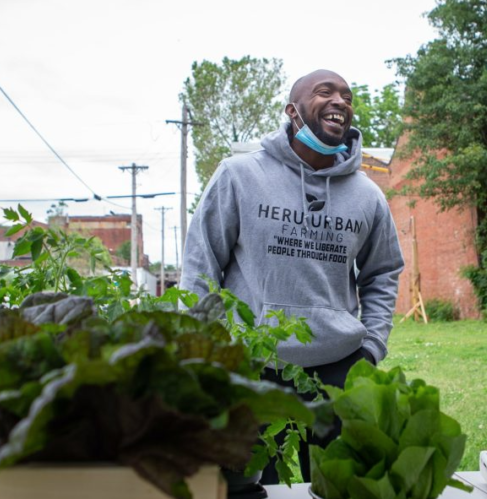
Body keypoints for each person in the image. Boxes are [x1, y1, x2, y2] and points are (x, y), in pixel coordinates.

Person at [181, 69, 404, 483]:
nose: (341, 101)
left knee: (336, 488)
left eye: (347, 96)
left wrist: (371, 348)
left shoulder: (368, 195)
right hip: (251, 366)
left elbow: (383, 272)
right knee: (246, 489)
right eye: (325, 92)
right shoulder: (239, 175)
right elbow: (201, 264)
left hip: (338, 369)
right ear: (292, 111)